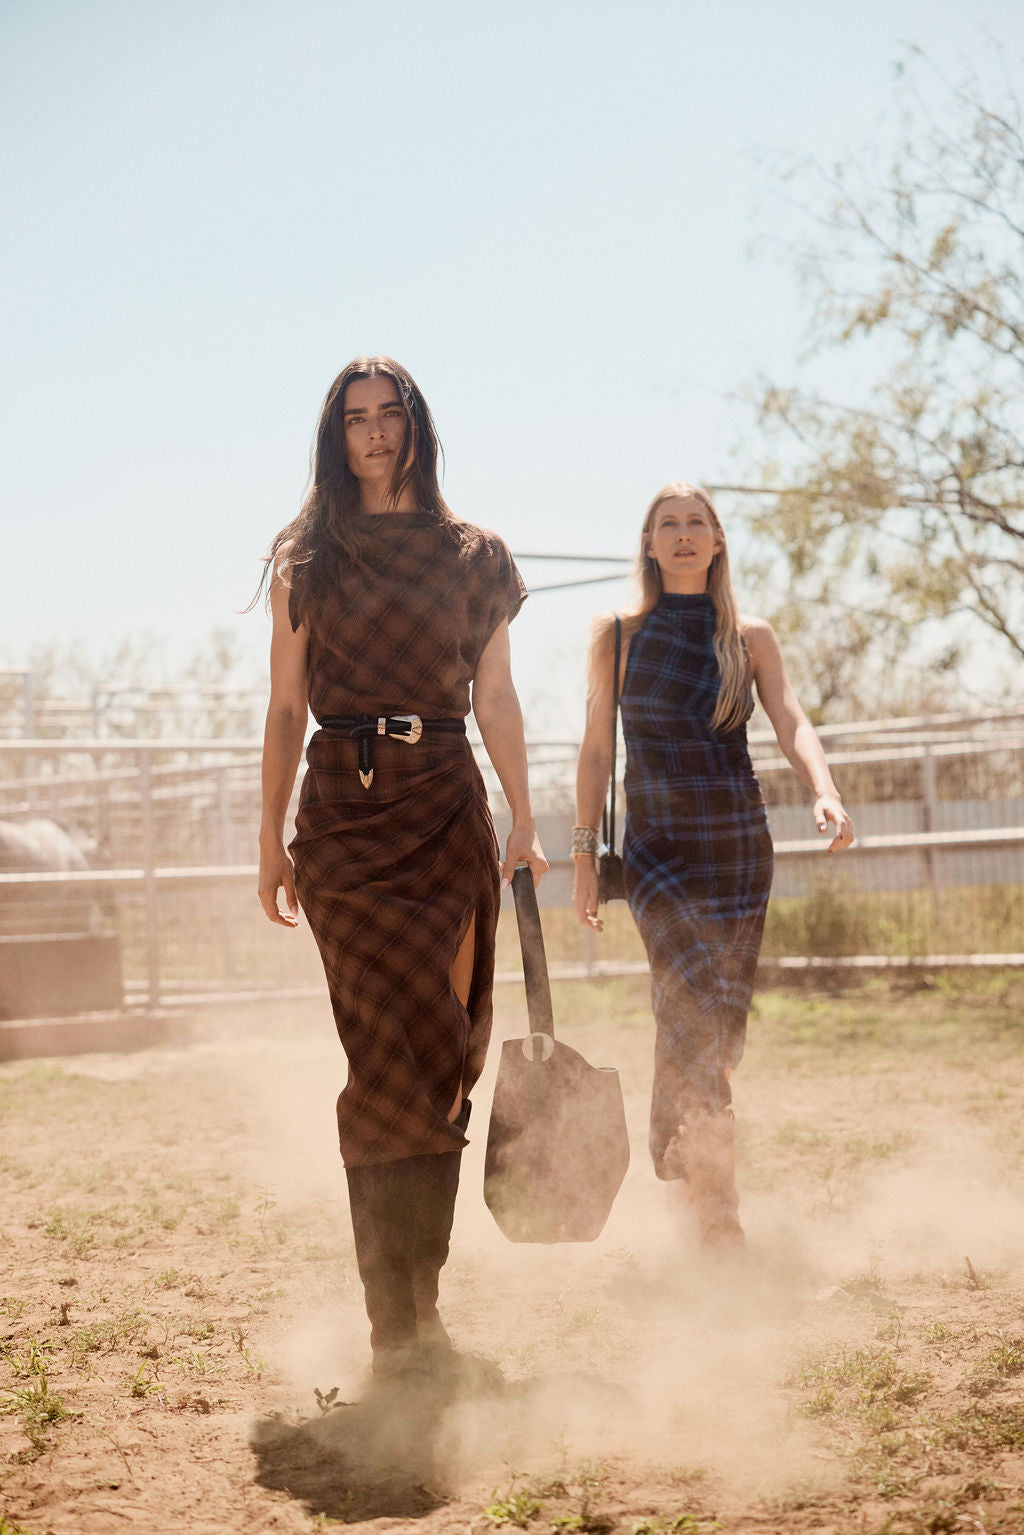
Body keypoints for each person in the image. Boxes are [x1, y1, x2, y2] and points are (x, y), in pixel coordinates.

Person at [256, 356, 547, 1376]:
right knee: (384, 1055)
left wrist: (523, 816)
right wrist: (267, 840)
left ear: (417, 426)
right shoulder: (309, 560)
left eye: (389, 416)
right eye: (354, 420)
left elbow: (498, 697)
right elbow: (287, 706)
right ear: (336, 440)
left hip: (446, 806)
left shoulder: (477, 557)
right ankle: (396, 1327)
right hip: (341, 812)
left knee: (450, 1052)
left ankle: (423, 1300)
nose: (373, 434)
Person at [572, 482, 852, 1250]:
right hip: (658, 852)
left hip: (736, 844)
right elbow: (597, 749)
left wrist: (823, 790)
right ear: (651, 545)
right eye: (669, 524)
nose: (685, 534)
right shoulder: (619, 636)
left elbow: (790, 717)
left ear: (718, 540)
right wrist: (585, 854)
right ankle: (719, 1213)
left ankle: (689, 1163)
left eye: (698, 523)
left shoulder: (748, 635)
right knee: (691, 1004)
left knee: (713, 1021)